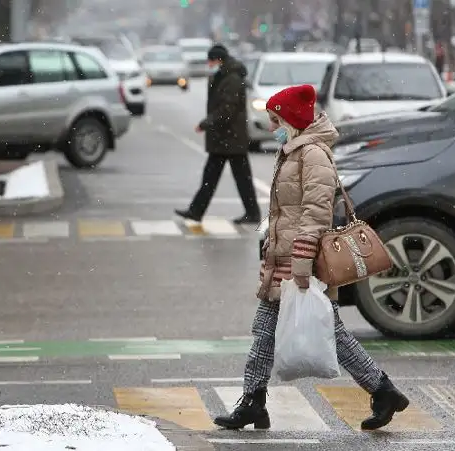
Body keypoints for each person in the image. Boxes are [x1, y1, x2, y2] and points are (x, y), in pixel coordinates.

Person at [213, 85, 409, 431]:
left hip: (300, 263)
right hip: (284, 259)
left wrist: (300, 266)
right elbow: (284, 212)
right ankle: (253, 402)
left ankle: (382, 390)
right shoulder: (293, 151)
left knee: (330, 334)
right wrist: (270, 251)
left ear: (292, 119)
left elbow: (315, 214)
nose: (273, 126)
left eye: (276, 120)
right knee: (264, 332)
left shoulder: (312, 155)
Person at [175, 44, 261, 225]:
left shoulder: (232, 79)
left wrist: (206, 123)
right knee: (216, 177)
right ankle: (197, 211)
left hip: (230, 138)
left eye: (211, 60)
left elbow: (226, 110)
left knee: (232, 178)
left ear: (218, 60)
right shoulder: (225, 76)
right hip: (226, 138)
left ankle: (251, 213)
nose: (209, 64)